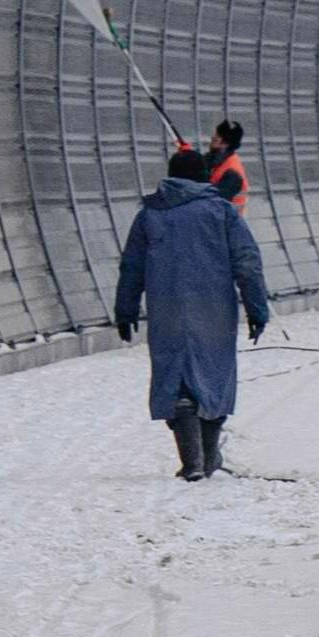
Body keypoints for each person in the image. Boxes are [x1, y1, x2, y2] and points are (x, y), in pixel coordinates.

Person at [113, 145, 272, 480]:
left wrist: (125, 309)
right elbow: (247, 262)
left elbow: (132, 267)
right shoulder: (221, 212)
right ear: (203, 176)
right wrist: (257, 308)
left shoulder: (150, 214)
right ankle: (207, 456)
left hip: (166, 308)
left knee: (175, 374)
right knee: (215, 375)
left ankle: (193, 459)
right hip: (214, 308)